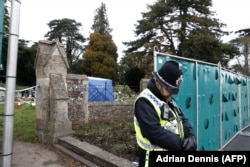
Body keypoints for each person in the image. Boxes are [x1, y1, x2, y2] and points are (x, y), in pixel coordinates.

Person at [134, 60, 197, 167]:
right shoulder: (144, 101)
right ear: (158, 84)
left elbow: (181, 118)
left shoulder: (167, 98)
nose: (171, 94)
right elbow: (154, 132)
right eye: (170, 90)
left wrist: (191, 136)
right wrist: (182, 145)